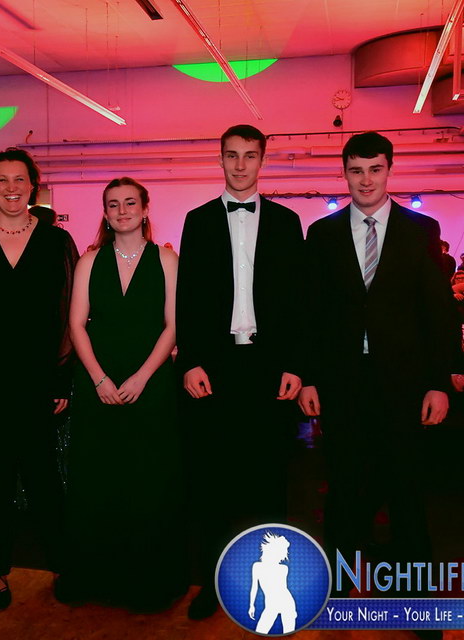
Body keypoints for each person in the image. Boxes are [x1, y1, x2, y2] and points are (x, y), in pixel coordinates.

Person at [298, 133, 459, 620]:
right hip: (344, 384)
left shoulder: (421, 229)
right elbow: (312, 313)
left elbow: (438, 311)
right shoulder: (322, 235)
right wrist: (309, 378)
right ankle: (337, 592)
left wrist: (440, 381)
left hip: (404, 384)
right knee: (345, 489)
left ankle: (416, 604)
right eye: (356, 170)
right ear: (344, 173)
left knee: (407, 491)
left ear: (389, 169)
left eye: (374, 169)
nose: (365, 180)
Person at [175, 124, 305, 620]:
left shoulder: (288, 222)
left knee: (268, 479)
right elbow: (188, 295)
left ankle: (273, 585)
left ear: (262, 161)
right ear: (220, 159)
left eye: (250, 156)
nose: (240, 165)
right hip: (215, 366)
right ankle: (213, 582)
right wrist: (190, 360)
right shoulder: (198, 220)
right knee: (212, 480)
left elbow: (297, 300)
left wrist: (295, 364)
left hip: (270, 367)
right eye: (232, 155)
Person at [0, 148, 78, 609]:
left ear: (32, 186)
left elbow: (69, 313)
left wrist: (63, 378)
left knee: (46, 480)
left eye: (19, 179)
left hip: (40, 381)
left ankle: (61, 564)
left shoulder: (56, 241)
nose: (11, 188)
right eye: (2, 180)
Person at [59, 177, 185, 611]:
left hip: (150, 383)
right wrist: (98, 379)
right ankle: (95, 577)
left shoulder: (167, 259)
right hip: (98, 383)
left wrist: (143, 377)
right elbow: (76, 324)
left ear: (145, 208)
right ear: (106, 213)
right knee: (98, 479)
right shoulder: (89, 261)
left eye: (131, 203)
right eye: (114, 204)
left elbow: (174, 325)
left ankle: (145, 582)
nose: (123, 210)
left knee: (147, 479)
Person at [248, 532, 297, 634]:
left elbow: (283, 588)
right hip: (271, 605)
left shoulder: (284, 568)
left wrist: (293, 610)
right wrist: (251, 605)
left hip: (287, 603)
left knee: (289, 634)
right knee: (260, 631)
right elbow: (254, 587)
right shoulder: (257, 566)